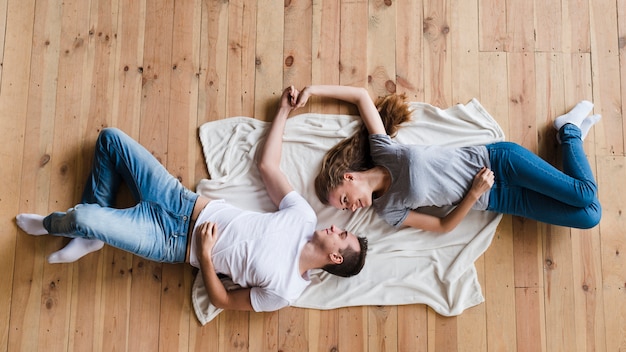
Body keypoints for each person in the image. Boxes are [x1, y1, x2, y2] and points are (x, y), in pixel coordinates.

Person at [16, 86, 368, 312]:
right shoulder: (303, 217)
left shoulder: (285, 291)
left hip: (171, 241)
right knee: (110, 139)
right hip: (182, 201)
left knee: (80, 218)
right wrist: (283, 112)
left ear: (336, 256)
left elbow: (224, 300)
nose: (336, 226)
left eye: (342, 235)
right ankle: (92, 238)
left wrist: (205, 255)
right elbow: (267, 166)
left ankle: (58, 226)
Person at [295, 85, 602, 232]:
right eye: (345, 209)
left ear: (349, 177)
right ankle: (569, 136)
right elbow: (442, 226)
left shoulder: (382, 151)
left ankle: (569, 131)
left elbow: (362, 97)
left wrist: (313, 90)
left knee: (584, 194)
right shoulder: (387, 210)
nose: (350, 209)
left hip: (499, 162)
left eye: (344, 200)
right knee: (589, 216)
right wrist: (473, 195)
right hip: (497, 200)